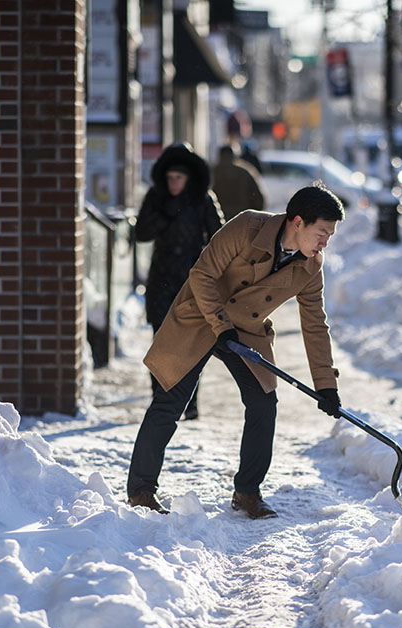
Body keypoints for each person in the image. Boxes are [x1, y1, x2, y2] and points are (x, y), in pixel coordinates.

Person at [127, 183, 345, 519]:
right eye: (322, 232)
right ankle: (141, 490)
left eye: (330, 235)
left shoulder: (311, 267)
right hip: (201, 316)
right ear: (297, 222)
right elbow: (202, 275)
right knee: (170, 400)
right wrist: (220, 325)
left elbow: (315, 325)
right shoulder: (247, 227)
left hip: (246, 330)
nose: (325, 242)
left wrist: (326, 384)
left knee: (263, 402)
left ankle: (247, 492)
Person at [135, 143, 224, 420]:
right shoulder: (156, 197)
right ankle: (159, 398)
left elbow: (219, 238)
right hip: (161, 277)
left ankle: (190, 401)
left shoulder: (202, 199)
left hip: (192, 279)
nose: (173, 183)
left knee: (191, 342)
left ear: (189, 179)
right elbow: (141, 233)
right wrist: (164, 213)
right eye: (170, 178)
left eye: (179, 178)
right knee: (160, 340)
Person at [211, 144, 265, 220]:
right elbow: (259, 199)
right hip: (242, 218)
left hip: (218, 217)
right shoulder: (245, 172)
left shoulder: (212, 172)